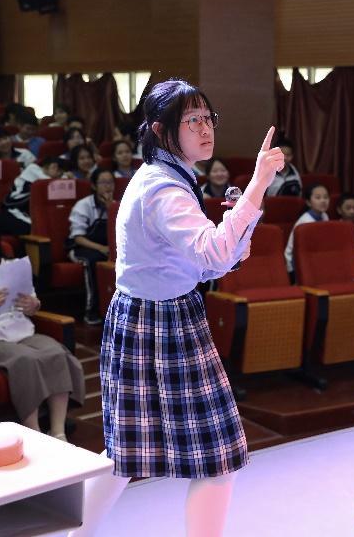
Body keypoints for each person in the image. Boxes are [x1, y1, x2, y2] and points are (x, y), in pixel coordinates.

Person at [92, 79, 284, 537]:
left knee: (124, 453)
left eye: (207, 118)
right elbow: (216, 255)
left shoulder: (167, 176)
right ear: (161, 130)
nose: (204, 128)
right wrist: (257, 185)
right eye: (191, 120)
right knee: (216, 455)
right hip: (158, 320)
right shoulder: (164, 189)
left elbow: (214, 260)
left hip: (154, 315)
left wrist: (234, 227)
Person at [0, 214, 84, 438]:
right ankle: (34, 432)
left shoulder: (14, 266)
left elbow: (32, 304)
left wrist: (33, 305)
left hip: (22, 332)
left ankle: (58, 432)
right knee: (26, 360)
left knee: (57, 353)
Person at [69, 168, 115, 325]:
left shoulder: (116, 205)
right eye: (103, 183)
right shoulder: (84, 205)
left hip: (108, 248)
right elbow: (78, 238)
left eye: (110, 182)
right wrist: (101, 248)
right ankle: (91, 311)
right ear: (94, 186)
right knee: (93, 262)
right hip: (82, 248)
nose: (108, 186)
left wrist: (111, 210)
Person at [0, 157, 67, 237]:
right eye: (59, 171)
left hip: (26, 214)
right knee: (36, 231)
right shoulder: (33, 169)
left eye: (61, 173)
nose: (59, 175)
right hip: (12, 211)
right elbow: (48, 183)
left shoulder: (52, 178)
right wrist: (65, 177)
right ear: (52, 166)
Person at [284, 183, 330, 273]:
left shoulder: (325, 216)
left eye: (326, 197)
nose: (323, 201)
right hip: (297, 262)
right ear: (308, 202)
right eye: (318, 198)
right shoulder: (305, 221)